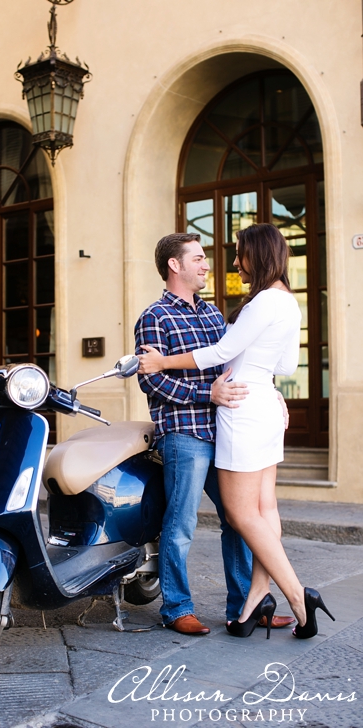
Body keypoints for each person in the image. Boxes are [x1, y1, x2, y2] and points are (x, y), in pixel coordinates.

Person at [139, 224, 334, 639]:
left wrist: (267, 390)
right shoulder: (154, 317)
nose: (209, 265)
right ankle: (177, 607)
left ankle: (246, 604)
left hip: (227, 427)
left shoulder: (213, 313)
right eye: (198, 258)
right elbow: (152, 381)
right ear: (175, 266)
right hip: (186, 432)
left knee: (238, 519)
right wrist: (206, 392)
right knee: (181, 522)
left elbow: (234, 359)